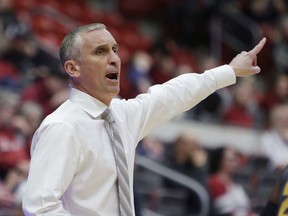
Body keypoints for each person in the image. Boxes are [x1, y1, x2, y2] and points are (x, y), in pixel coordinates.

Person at [22, 22, 266, 216]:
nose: (114, 58)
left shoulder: (122, 114)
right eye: (100, 51)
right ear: (73, 68)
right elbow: (40, 207)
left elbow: (173, 94)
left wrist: (230, 71)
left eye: (115, 50)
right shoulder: (62, 127)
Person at [207, 146, 252, 216]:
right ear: (219, 161)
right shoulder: (215, 182)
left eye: (235, 160)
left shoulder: (236, 185)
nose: (234, 163)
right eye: (230, 160)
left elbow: (246, 209)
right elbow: (225, 211)